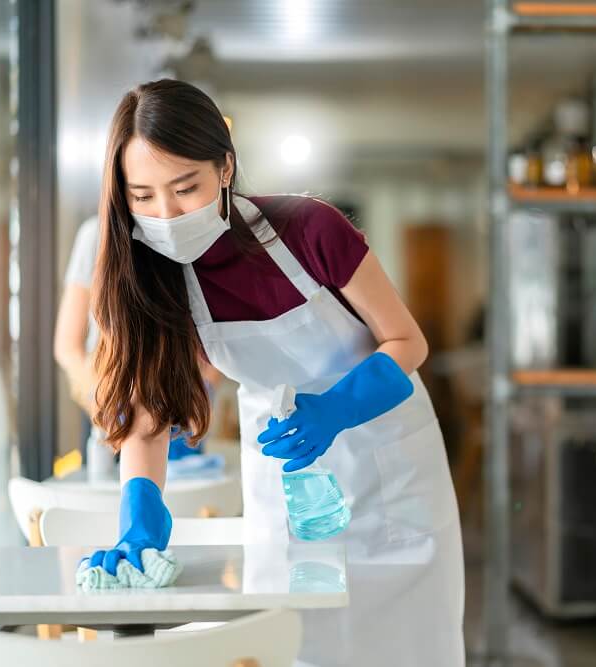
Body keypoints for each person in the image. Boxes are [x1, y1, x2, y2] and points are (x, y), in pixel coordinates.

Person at [84, 79, 464, 666]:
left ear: (225, 168)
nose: (166, 214)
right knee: (290, 647)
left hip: (390, 466)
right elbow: (147, 418)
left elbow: (406, 341)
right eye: (143, 196)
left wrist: (339, 407)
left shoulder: (311, 230)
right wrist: (138, 513)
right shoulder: (152, 275)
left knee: (406, 647)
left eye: (186, 187)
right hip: (287, 478)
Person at [55, 217, 221, 481]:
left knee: (184, 509)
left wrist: (205, 389)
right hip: (110, 406)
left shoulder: (193, 232)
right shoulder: (96, 236)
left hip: (182, 403)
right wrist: (103, 403)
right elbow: (68, 346)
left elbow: (216, 334)